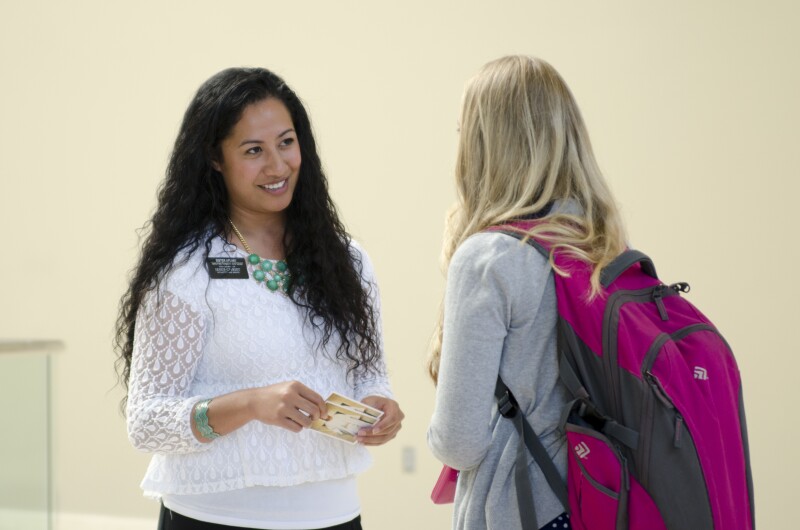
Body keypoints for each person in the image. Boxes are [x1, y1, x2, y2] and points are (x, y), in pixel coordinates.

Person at [115, 67, 404, 530]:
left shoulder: (348, 260)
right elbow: (146, 422)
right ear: (215, 158)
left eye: (286, 143)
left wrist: (379, 404)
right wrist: (250, 404)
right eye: (253, 150)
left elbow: (371, 373)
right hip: (214, 517)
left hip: (334, 514)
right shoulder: (186, 272)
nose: (277, 166)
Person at [427, 55, 627, 530]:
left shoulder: (489, 258)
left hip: (521, 510)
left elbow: (459, 442)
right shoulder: (601, 242)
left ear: (483, 145)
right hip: (598, 500)